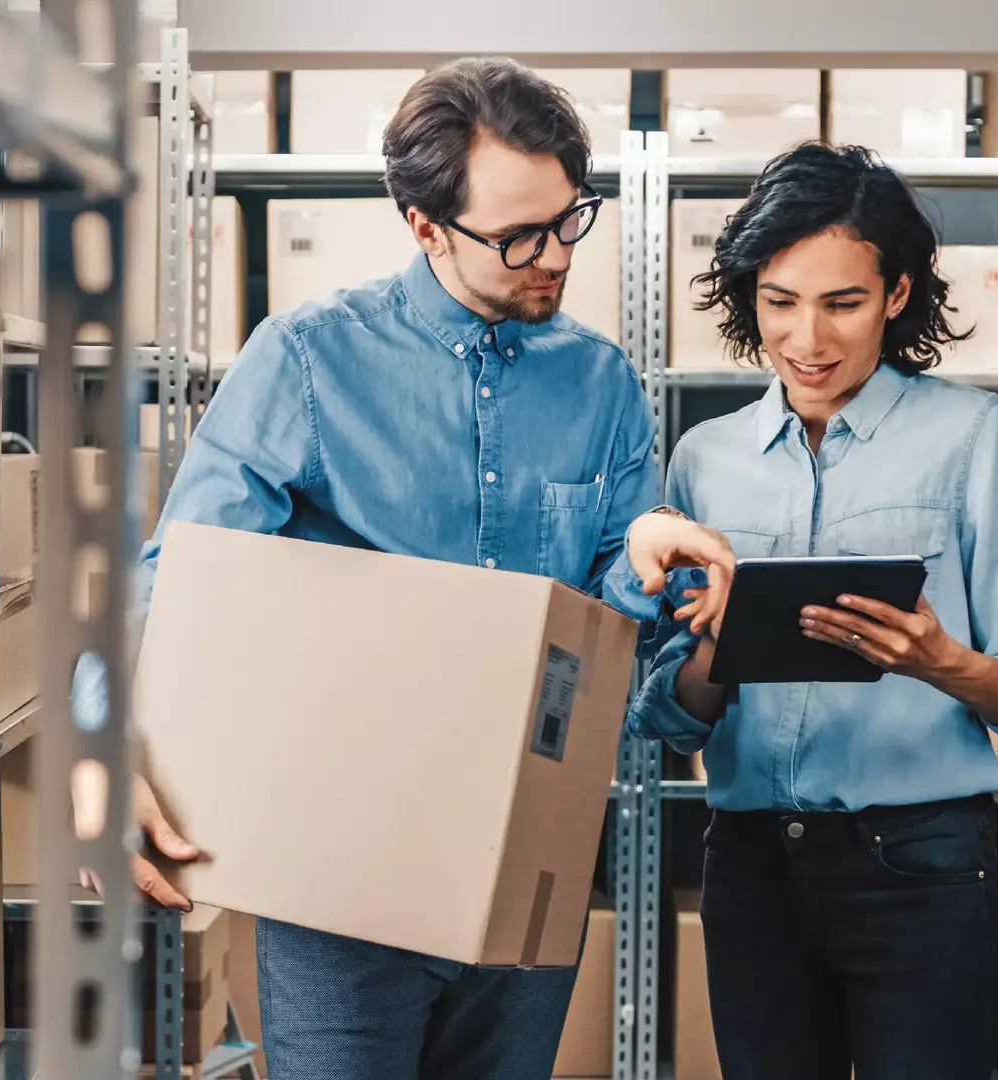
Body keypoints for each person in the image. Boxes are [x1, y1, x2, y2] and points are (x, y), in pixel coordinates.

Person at [118, 57, 735, 1080]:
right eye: (516, 239)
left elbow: (612, 661)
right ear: (423, 226)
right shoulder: (310, 360)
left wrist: (642, 572)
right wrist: (109, 733)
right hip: (339, 880)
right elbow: (179, 580)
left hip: (525, 872)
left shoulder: (601, 386)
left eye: (569, 220)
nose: (554, 258)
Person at [627, 142, 998, 1080]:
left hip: (921, 864)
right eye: (780, 302)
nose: (807, 341)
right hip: (751, 869)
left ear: (899, 295)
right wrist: (713, 644)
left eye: (843, 303)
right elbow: (671, 719)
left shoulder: (971, 437)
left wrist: (937, 660)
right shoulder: (705, 459)